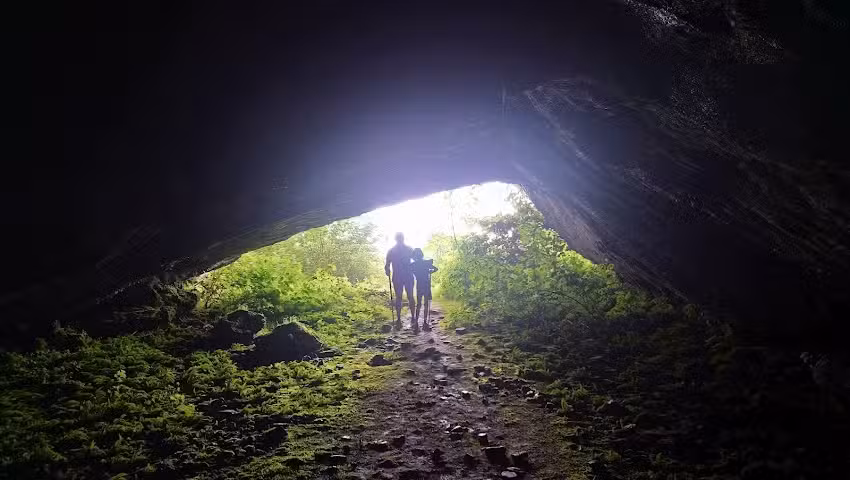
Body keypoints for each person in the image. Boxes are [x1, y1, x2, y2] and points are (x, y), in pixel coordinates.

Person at [385, 232, 415, 329]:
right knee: (408, 296)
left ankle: (399, 318)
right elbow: (417, 260)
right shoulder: (409, 249)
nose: (400, 240)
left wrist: (387, 271)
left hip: (399, 277)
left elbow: (387, 265)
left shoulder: (392, 251)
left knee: (400, 297)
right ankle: (412, 317)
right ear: (402, 238)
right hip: (406, 276)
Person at [411, 248, 438, 331]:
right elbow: (436, 269)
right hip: (426, 284)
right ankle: (425, 322)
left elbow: (409, 270)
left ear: (415, 255)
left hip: (419, 285)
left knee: (419, 304)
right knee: (426, 304)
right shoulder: (426, 263)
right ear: (421, 254)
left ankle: (416, 323)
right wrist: (429, 272)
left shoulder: (413, 264)